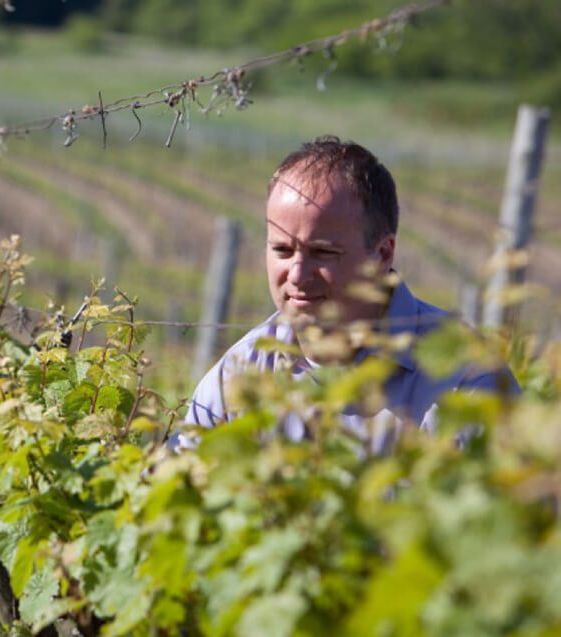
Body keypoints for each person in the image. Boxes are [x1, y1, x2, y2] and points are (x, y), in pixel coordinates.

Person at [185, 136, 518, 452]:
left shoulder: (464, 374)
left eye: (324, 253)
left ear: (383, 254)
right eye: (283, 251)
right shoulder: (240, 373)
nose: (298, 275)